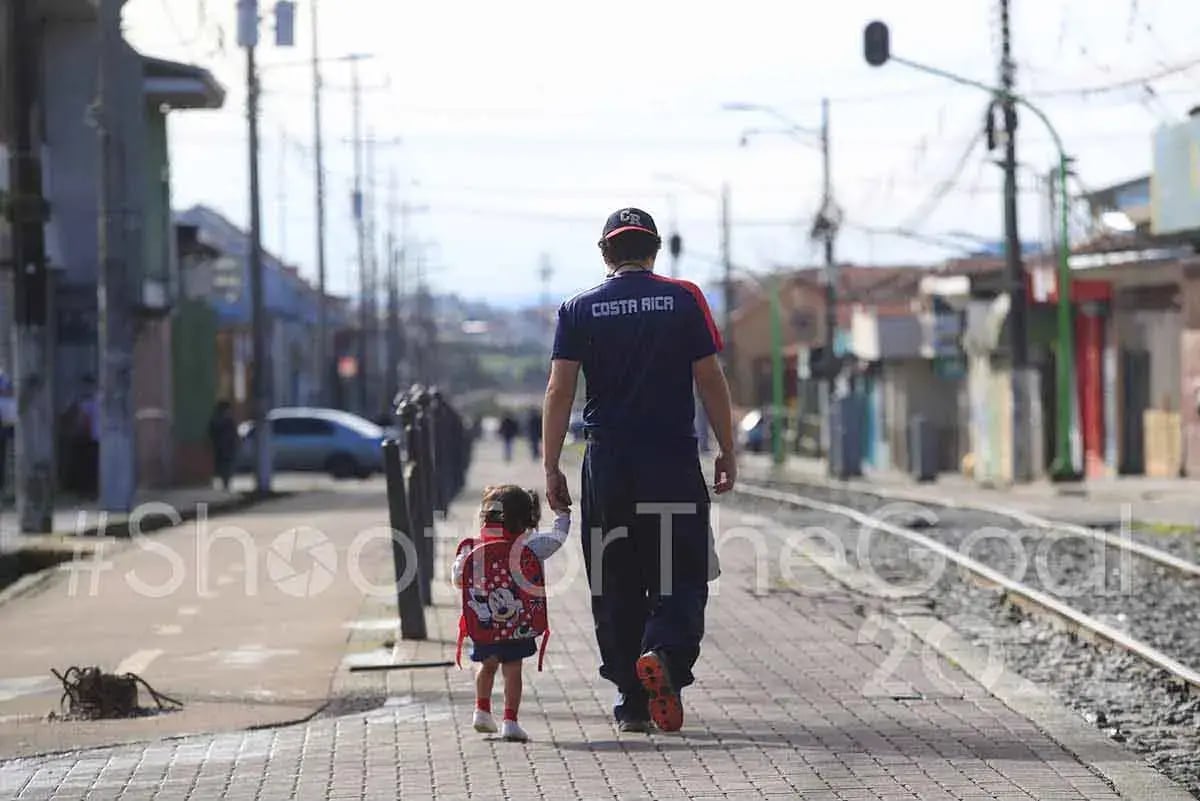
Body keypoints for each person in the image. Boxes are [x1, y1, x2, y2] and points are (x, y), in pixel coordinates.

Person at [541, 207, 736, 733]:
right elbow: (710, 380)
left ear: (605, 253)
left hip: (607, 464)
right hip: (670, 459)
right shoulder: (683, 299)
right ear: (654, 251)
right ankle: (666, 657)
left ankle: (631, 701)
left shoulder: (578, 309)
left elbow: (560, 391)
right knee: (679, 572)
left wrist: (552, 466)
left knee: (614, 579)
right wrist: (727, 449)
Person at [452, 484, 570, 743]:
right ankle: (510, 721)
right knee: (513, 670)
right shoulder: (531, 546)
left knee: (487, 666)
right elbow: (558, 537)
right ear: (526, 519)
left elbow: (459, 580)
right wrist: (563, 513)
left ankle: (481, 711)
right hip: (519, 625)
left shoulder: (471, 549)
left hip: (484, 627)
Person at [208, 401, 239, 491]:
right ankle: (225, 483)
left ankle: (225, 483)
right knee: (224, 467)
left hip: (223, 448)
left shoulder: (220, 419)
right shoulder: (224, 420)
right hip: (223, 448)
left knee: (224, 467)